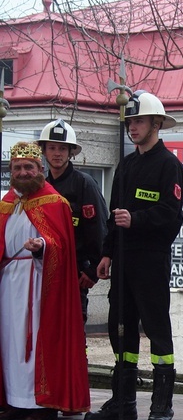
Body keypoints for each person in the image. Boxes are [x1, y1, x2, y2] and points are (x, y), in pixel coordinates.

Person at [84, 91, 183, 420]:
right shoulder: (127, 165)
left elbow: (170, 215)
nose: (132, 127)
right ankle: (123, 401)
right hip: (124, 260)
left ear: (156, 123)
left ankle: (162, 404)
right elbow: (115, 215)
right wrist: (107, 253)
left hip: (151, 260)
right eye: (129, 122)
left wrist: (138, 220)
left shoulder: (169, 166)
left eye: (138, 121)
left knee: (156, 330)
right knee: (119, 328)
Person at [0, 141, 90, 420]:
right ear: (11, 171)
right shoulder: (6, 203)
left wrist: (42, 246)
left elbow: (62, 247)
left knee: (35, 341)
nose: (23, 172)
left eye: (29, 167)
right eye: (18, 167)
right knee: (9, 342)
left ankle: (41, 403)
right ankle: (14, 400)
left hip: (38, 284)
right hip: (8, 282)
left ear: (40, 169)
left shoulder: (54, 203)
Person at [38, 119, 107, 325]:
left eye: (62, 148)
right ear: (44, 151)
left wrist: (92, 270)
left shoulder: (84, 184)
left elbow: (99, 228)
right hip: (46, 272)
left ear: (70, 152)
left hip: (77, 274)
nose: (57, 153)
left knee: (74, 329)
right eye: (52, 148)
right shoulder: (41, 187)